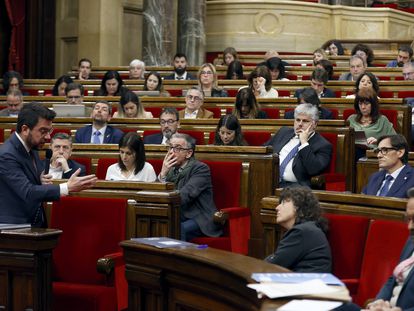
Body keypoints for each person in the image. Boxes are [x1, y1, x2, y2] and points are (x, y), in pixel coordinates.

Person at [0, 103, 97, 227]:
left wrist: (38, 180)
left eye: (49, 130)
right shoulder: (7, 155)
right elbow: (28, 192)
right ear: (25, 129)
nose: (47, 136)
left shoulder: (32, 147)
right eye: (43, 131)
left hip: (32, 224)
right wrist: (67, 186)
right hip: (14, 227)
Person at [158, 133, 223, 241]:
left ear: (189, 153)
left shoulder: (200, 169)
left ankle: (178, 258)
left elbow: (186, 194)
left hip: (200, 218)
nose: (171, 152)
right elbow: (156, 193)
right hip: (179, 215)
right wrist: (163, 174)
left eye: (177, 148)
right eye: (170, 147)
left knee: (178, 228)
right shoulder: (170, 169)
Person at [265, 186, 332, 272]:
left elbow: (273, 265)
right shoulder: (307, 229)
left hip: (307, 284)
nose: (277, 208)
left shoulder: (301, 232)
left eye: (283, 203)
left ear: (297, 206)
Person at [265, 103, 332, 187]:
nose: (300, 124)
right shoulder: (284, 132)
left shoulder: (323, 145)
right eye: (297, 120)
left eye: (305, 121)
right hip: (270, 180)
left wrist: (304, 143)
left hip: (296, 186)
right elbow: (264, 149)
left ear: (314, 124)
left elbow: (313, 169)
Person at [347, 88, 396, 159]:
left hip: (374, 155)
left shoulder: (382, 120)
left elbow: (395, 141)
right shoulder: (351, 119)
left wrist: (378, 141)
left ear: (373, 104)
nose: (363, 107)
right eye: (360, 104)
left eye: (366, 104)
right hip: (353, 153)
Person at [362, 134, 414, 198]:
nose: (379, 155)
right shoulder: (374, 177)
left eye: (385, 150)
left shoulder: (412, 178)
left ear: (400, 152)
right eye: (378, 151)